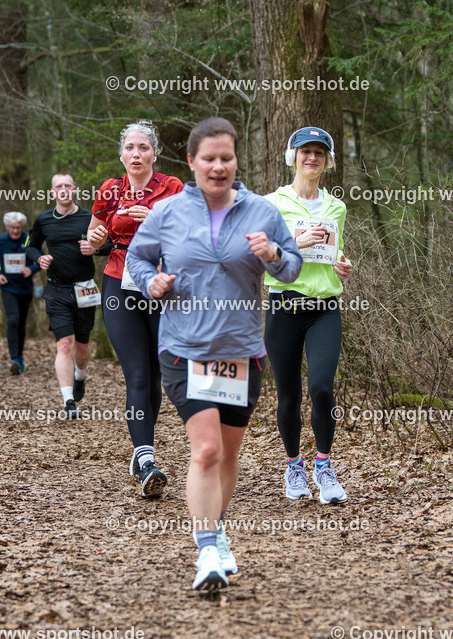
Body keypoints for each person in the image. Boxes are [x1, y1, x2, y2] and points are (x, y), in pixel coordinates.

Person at [127, 117, 302, 591]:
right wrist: (151, 281)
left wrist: (273, 257)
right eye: (209, 158)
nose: (218, 167)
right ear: (191, 162)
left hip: (242, 351)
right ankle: (206, 549)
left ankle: (218, 528)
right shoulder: (168, 213)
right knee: (205, 449)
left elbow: (293, 268)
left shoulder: (262, 212)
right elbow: (137, 258)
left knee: (228, 454)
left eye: (227, 158)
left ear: (236, 161)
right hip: (185, 348)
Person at [86, 121, 184, 498]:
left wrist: (157, 222)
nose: (136, 154)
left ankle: (144, 449)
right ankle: (145, 461)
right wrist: (95, 239)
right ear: (121, 154)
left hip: (159, 284)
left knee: (157, 375)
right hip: (119, 283)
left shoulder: (172, 187)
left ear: (154, 153)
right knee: (138, 375)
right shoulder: (110, 191)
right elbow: (93, 237)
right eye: (130, 147)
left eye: (144, 147)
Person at [264, 127, 353, 504]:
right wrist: (291, 245)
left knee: (321, 387)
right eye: (305, 151)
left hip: (324, 309)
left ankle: (324, 466)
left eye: (319, 152)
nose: (311, 157)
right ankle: (293, 467)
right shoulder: (270, 203)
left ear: (328, 161)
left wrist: (344, 266)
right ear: (292, 156)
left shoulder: (337, 207)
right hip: (284, 306)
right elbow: (260, 257)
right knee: (288, 395)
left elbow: (335, 257)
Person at [26, 173, 112, 419]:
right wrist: (39, 258)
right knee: (65, 344)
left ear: (74, 190)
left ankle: (80, 377)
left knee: (83, 348)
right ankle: (69, 402)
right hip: (56, 289)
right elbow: (31, 246)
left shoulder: (89, 218)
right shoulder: (43, 219)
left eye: (67, 186)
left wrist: (95, 248)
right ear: (52, 192)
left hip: (84, 288)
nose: (63, 190)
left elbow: (111, 243)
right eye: (58, 187)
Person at [0, 212, 39, 374]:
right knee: (13, 320)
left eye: (18, 228)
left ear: (22, 227)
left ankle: (20, 356)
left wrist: (30, 269)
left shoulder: (29, 239)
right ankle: (14, 358)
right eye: (12, 228)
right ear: (7, 227)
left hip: (25, 288)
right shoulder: (0, 241)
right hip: (8, 287)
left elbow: (41, 259)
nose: (15, 231)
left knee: (21, 324)